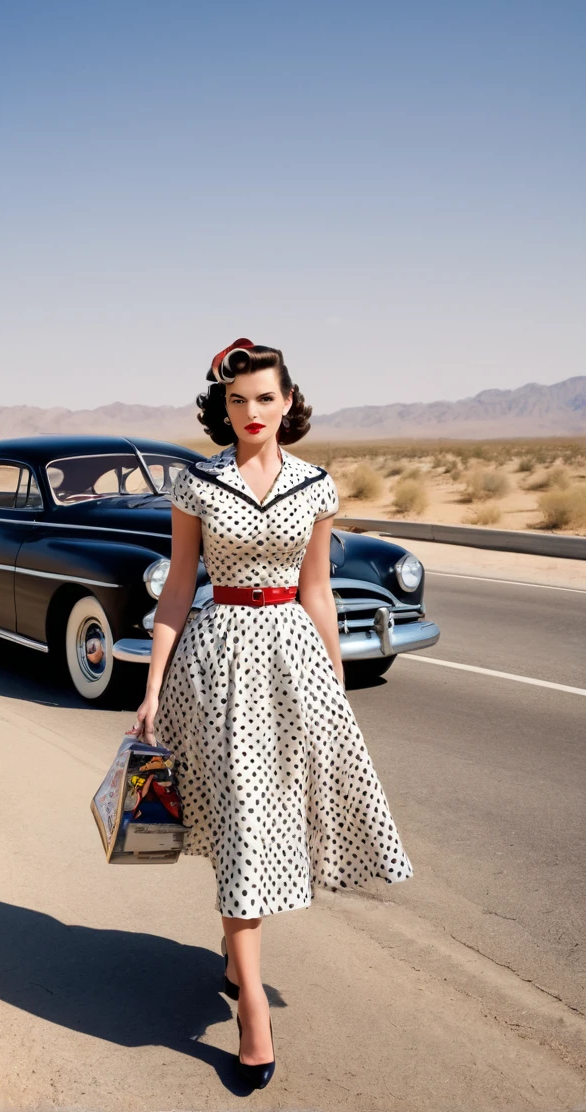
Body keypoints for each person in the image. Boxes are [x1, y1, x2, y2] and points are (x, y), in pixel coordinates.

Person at [133, 338, 414, 1090]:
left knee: (271, 821)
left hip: (292, 664)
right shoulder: (197, 485)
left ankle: (235, 954)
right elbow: (177, 587)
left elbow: (318, 589)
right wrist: (152, 686)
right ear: (220, 408)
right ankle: (253, 1006)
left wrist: (337, 681)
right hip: (216, 663)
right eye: (237, 400)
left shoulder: (317, 487)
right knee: (241, 825)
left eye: (264, 398)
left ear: (288, 402)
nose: (251, 412)